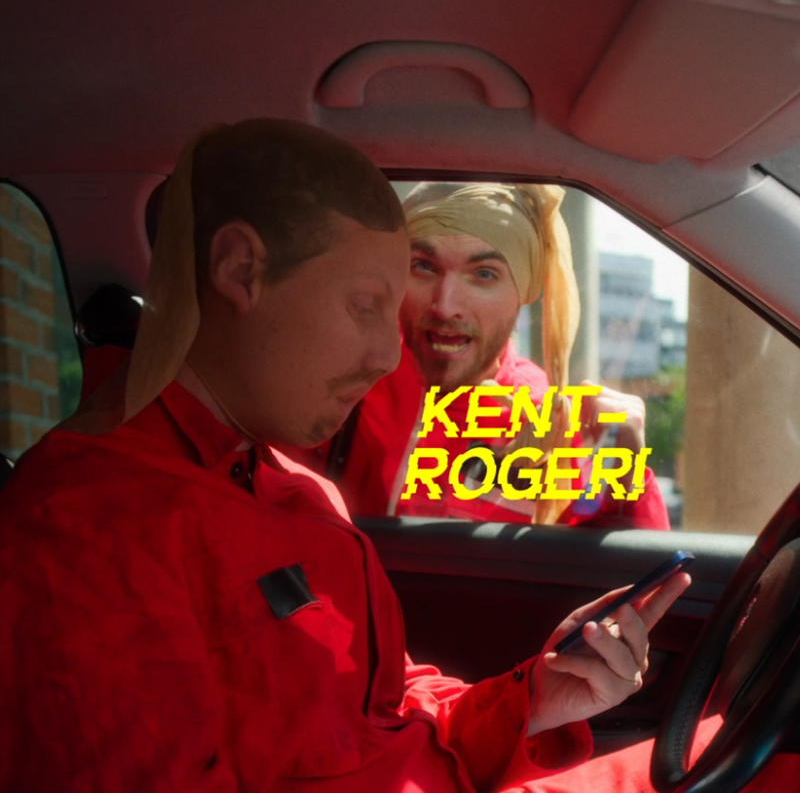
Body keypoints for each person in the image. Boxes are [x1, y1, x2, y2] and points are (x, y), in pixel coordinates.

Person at [0, 119, 688, 792]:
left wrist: (534, 698)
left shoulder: (294, 483)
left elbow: (389, 715)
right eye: (367, 305)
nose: (391, 352)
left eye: (483, 273)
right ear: (240, 270)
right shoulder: (90, 523)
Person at [293, 182, 670, 529]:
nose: (445, 306)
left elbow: (631, 571)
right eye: (423, 267)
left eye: (484, 274)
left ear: (523, 291)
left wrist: (624, 481)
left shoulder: (556, 423)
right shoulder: (345, 383)